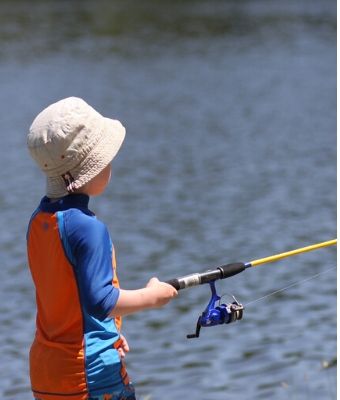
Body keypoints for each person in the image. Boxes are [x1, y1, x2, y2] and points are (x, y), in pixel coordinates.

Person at [26, 97, 178, 400]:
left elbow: (67, 297)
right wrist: (153, 297)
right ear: (90, 168)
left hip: (46, 370)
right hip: (88, 374)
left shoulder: (39, 222)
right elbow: (101, 300)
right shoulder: (88, 227)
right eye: (105, 159)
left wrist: (107, 332)